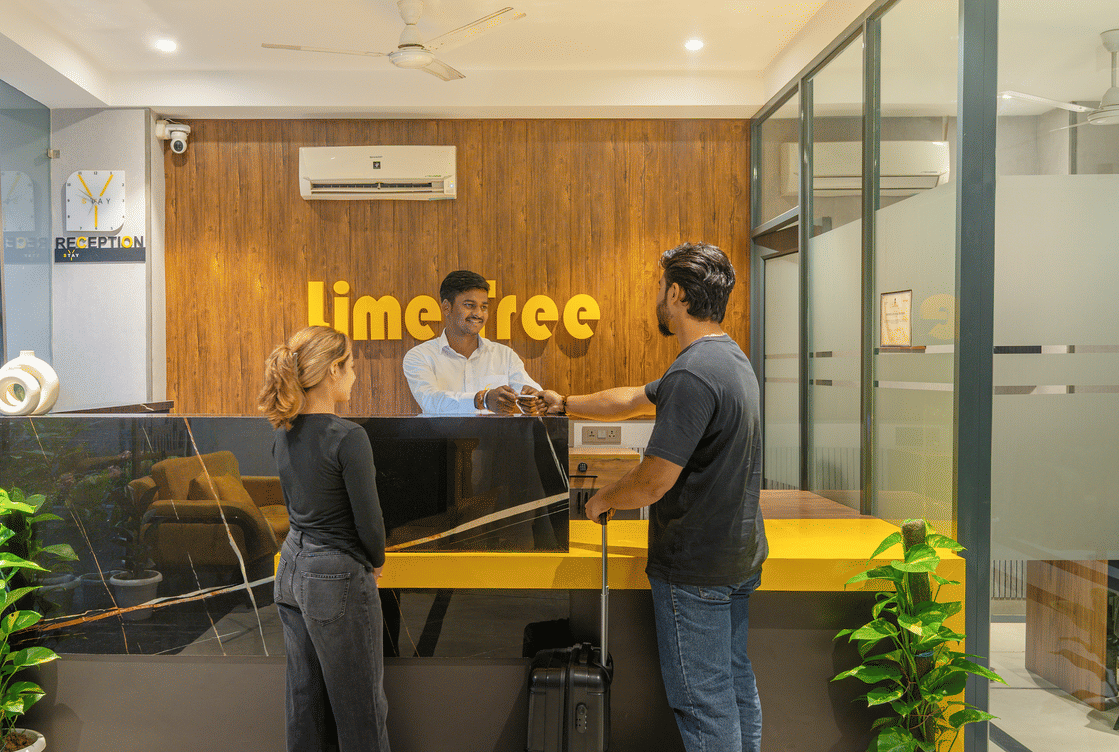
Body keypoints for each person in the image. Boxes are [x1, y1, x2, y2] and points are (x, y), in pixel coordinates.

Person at [542, 242, 766, 752]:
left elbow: (653, 481)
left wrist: (602, 498)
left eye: (660, 288)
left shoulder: (692, 374)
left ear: (677, 294)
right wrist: (565, 403)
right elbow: (631, 398)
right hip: (736, 556)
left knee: (704, 703)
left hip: (696, 569)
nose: (657, 297)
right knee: (734, 686)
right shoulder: (726, 358)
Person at [259, 325, 390, 752]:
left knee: (305, 709)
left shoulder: (284, 432)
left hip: (290, 570)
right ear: (333, 370)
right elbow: (370, 525)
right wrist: (376, 560)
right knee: (361, 712)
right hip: (335, 576)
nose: (354, 375)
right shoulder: (349, 436)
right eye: (351, 366)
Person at [402, 269, 553, 415]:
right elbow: (431, 401)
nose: (478, 313)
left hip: (496, 434)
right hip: (443, 434)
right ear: (446, 307)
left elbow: (529, 391)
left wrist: (536, 401)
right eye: (469, 305)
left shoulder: (505, 355)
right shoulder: (420, 356)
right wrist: (482, 399)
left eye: (484, 307)